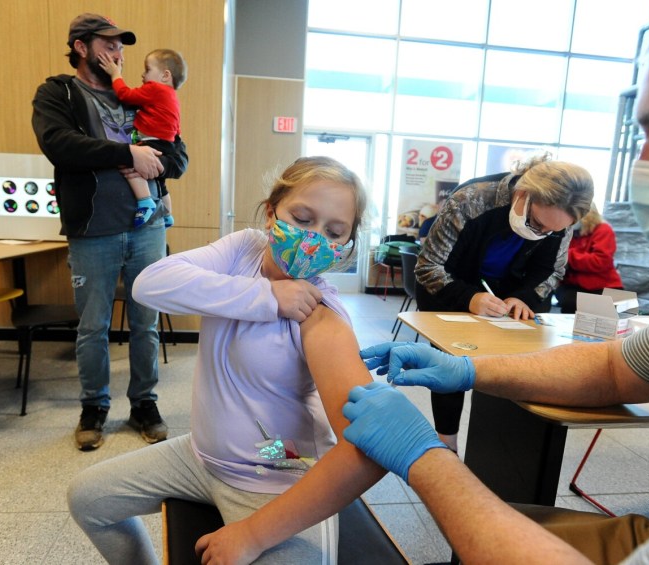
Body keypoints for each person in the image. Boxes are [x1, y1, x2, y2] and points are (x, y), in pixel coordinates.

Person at [342, 3, 649, 562]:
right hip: (457, 296)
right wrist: (469, 367)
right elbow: (616, 366)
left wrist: (424, 461)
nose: (647, 162)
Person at [67, 156, 386, 564]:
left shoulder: (321, 315)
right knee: (88, 499)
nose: (314, 239)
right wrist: (267, 297)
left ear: (346, 246)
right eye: (303, 218)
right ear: (272, 212)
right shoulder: (243, 251)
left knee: (283, 454)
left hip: (276, 473)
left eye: (334, 232)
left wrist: (254, 535)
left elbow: (365, 448)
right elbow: (149, 284)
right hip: (202, 456)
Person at [31, 13, 188, 450]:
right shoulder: (59, 91)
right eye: (108, 44)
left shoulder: (140, 96)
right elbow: (59, 144)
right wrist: (127, 152)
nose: (117, 53)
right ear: (81, 47)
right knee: (93, 327)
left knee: (146, 323)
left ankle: (144, 404)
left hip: (147, 228)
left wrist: (152, 158)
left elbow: (177, 159)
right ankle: (94, 408)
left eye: (121, 46)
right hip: (92, 230)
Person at [416, 154, 594, 450]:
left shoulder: (562, 217)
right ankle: (446, 443)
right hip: (453, 287)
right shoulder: (471, 200)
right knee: (454, 363)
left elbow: (552, 270)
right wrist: (469, 297)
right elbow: (429, 266)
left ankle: (496, 451)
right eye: (537, 223)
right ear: (524, 194)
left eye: (552, 231)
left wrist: (524, 297)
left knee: (511, 364)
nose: (542, 234)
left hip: (508, 294)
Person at [98, 47, 187, 229]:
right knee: (159, 181)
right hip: (167, 143)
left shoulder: (155, 89)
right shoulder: (172, 97)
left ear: (165, 76)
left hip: (151, 142)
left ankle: (144, 200)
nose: (143, 75)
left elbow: (125, 95)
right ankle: (168, 214)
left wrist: (116, 75)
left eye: (147, 70)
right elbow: (177, 128)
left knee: (129, 163)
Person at [554, 203, 624, 313]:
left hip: (604, 286)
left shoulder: (603, 229)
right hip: (573, 287)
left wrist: (567, 254)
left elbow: (600, 261)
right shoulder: (566, 231)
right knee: (568, 302)